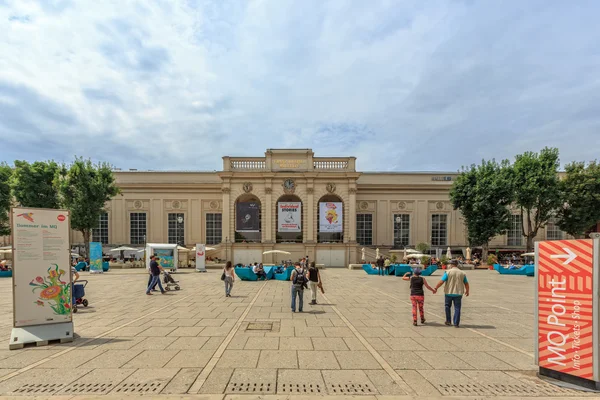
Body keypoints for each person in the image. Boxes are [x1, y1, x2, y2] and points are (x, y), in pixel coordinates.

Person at [434, 260, 469, 327]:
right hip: (458, 293)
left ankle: (448, 321)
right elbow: (466, 283)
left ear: (451, 265)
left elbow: (441, 281)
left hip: (448, 292)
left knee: (447, 306)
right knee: (457, 308)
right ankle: (456, 323)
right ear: (457, 265)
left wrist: (436, 288)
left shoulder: (448, 272)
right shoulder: (462, 273)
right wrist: (467, 291)